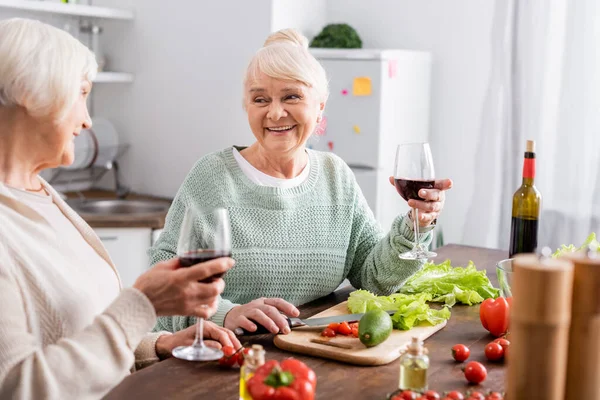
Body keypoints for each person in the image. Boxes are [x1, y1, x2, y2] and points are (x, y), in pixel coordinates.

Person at [151, 28, 452, 336]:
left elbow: (373, 276)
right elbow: (162, 286)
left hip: (315, 349)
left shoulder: (335, 176)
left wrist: (417, 223)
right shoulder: (212, 177)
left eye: (291, 96)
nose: (275, 112)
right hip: (226, 354)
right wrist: (226, 314)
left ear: (320, 105)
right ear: (247, 107)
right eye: (260, 99)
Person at [0, 18, 239, 399]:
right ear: (29, 92)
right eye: (81, 93)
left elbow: (73, 334)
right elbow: (21, 388)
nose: (87, 119)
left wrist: (155, 345)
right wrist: (142, 305)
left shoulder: (41, 193)